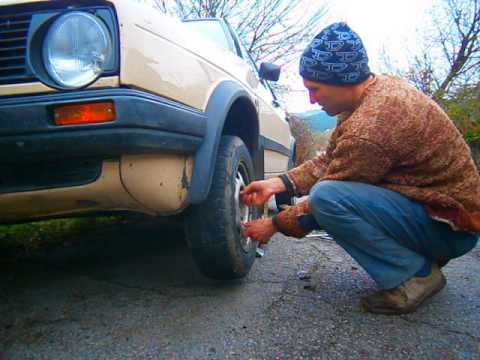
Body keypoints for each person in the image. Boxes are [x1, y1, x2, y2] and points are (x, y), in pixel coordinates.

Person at [240, 22, 480, 315]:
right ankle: (416, 258)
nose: (312, 99)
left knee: (328, 198)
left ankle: (415, 276)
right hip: (439, 215)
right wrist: (278, 184)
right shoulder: (368, 98)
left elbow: (326, 200)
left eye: (315, 89)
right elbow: (331, 159)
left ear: (343, 79)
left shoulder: (373, 124)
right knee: (331, 194)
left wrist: (274, 225)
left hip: (452, 228)